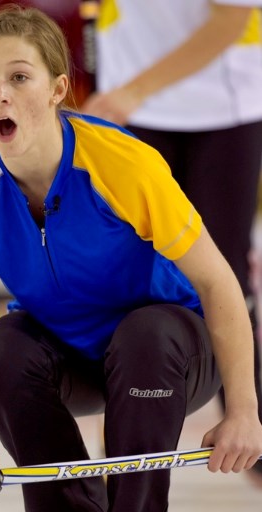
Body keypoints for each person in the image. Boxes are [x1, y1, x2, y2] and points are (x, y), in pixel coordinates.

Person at [0, 2, 262, 512]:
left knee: (145, 334)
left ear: (58, 90)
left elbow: (220, 284)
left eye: (20, 77)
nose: (0, 94)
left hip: (170, 352)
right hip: (72, 355)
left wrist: (245, 409)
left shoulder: (124, 163)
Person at [81, 0, 262, 481]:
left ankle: (250, 424)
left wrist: (133, 90)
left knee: (223, 275)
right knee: (124, 278)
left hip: (217, 113)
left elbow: (231, 21)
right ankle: (121, 459)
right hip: (129, 111)